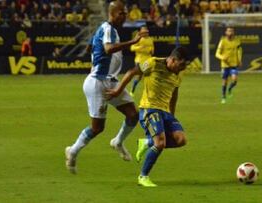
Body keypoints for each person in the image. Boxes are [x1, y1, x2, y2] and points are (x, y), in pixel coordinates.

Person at [65, 1, 148, 174]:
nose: (124, 16)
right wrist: (133, 41)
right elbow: (108, 49)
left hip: (111, 80)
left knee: (133, 115)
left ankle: (117, 142)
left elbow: (92, 48)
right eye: (122, 13)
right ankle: (72, 151)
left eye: (125, 13)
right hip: (98, 83)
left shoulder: (108, 30)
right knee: (97, 128)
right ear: (113, 13)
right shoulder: (108, 28)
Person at [105, 46, 190, 187]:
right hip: (149, 109)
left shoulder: (178, 74)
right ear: (173, 60)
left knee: (181, 140)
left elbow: (174, 94)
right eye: (181, 65)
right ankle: (143, 176)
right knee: (160, 143)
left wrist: (171, 114)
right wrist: (117, 90)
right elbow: (131, 72)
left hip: (165, 111)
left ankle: (146, 143)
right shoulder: (153, 63)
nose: (182, 69)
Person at [215, 27, 242, 104]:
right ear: (226, 32)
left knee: (235, 80)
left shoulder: (237, 41)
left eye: (232, 31)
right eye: (229, 31)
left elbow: (239, 51)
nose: (230, 32)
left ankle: (230, 89)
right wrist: (222, 57)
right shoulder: (222, 41)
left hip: (233, 64)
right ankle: (223, 97)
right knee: (224, 82)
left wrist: (239, 60)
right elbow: (217, 54)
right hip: (225, 65)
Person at [129, 25, 154, 97]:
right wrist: (140, 48)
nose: (145, 32)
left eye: (146, 31)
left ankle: (148, 93)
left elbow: (152, 49)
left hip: (148, 60)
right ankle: (132, 90)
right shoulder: (138, 39)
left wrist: (151, 50)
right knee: (139, 77)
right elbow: (132, 48)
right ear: (141, 32)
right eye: (143, 31)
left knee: (149, 77)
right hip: (139, 60)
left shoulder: (150, 39)